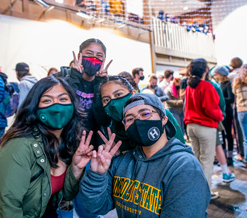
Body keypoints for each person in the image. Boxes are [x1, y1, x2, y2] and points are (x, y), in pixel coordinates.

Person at [0, 76, 93, 217]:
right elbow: (7, 208)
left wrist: (75, 170)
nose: (56, 107)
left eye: (62, 99)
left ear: (73, 105)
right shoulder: (20, 145)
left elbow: (66, 196)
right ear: (35, 108)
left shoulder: (67, 142)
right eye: (47, 100)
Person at [81, 93, 210, 217]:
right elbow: (96, 207)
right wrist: (97, 174)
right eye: (130, 119)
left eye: (145, 113)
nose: (138, 121)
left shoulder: (185, 167)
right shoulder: (121, 162)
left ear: (164, 119)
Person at [66, 38, 111, 218]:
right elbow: (66, 111)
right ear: (80, 56)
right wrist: (74, 77)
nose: (94, 59)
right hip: (68, 150)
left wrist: (101, 84)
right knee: (64, 200)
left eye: (99, 56)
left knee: (88, 205)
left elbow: (103, 118)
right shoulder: (67, 80)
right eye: (89, 55)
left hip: (93, 152)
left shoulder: (105, 86)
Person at [99, 76, 185, 153]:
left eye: (118, 94)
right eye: (106, 100)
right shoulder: (111, 131)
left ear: (132, 93)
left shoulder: (157, 115)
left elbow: (181, 148)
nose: (113, 103)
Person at [184, 58, 223, 199]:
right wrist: (220, 116)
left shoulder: (190, 86)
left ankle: (196, 191)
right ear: (205, 70)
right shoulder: (206, 86)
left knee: (197, 160)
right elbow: (211, 109)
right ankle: (205, 194)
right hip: (205, 127)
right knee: (206, 161)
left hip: (191, 127)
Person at [213, 65, 235, 166]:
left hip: (228, 112)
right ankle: (224, 156)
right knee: (222, 135)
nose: (215, 76)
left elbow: (231, 99)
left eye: (217, 74)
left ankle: (230, 156)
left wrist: (218, 99)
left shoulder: (228, 84)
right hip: (221, 112)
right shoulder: (220, 84)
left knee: (228, 134)